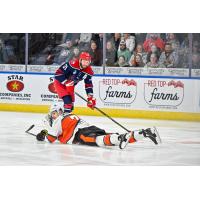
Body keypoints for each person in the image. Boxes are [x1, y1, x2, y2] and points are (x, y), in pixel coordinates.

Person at [35, 102, 160, 150]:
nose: (53, 115)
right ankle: (146, 132)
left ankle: (121, 138)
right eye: (53, 113)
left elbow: (51, 138)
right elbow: (59, 133)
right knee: (112, 139)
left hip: (81, 135)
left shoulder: (58, 120)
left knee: (99, 141)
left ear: (60, 112)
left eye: (54, 113)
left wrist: (42, 136)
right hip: (91, 128)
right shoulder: (70, 115)